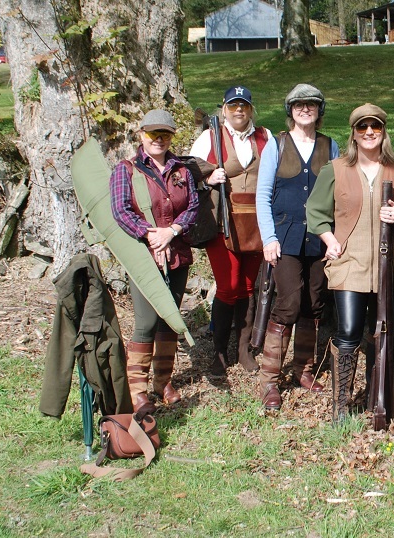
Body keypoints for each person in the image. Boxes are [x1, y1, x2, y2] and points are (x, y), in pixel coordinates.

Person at [306, 103, 394, 421]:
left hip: (387, 263)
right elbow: (315, 212)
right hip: (350, 262)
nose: (369, 133)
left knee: (381, 330)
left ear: (383, 132)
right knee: (349, 330)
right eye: (362, 127)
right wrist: (329, 239)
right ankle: (341, 405)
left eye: (376, 127)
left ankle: (376, 395)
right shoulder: (336, 169)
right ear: (353, 134)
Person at [254, 84, 340, 410]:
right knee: (288, 302)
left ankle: (303, 370)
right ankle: (269, 381)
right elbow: (263, 196)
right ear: (290, 110)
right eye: (299, 104)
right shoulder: (276, 145)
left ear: (320, 110)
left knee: (314, 303)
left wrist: (333, 236)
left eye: (312, 104)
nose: (305, 109)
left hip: (319, 239)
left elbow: (337, 193)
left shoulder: (330, 146)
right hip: (284, 238)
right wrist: (268, 238)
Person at [111, 109, 198, 415]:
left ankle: (163, 383)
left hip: (176, 254)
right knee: (147, 322)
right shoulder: (126, 170)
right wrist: (150, 235)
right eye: (153, 134)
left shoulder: (182, 170)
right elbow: (121, 211)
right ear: (141, 135)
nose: (159, 139)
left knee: (169, 321)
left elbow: (192, 208)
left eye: (165, 134)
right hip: (144, 258)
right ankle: (137, 391)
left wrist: (172, 231)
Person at [190, 86, 275, 377]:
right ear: (224, 109)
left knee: (249, 287)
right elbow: (188, 174)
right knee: (228, 286)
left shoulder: (265, 137)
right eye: (233, 105)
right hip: (222, 223)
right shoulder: (210, 136)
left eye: (244, 105)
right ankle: (219, 354)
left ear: (251, 109)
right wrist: (209, 177)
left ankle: (244, 350)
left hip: (257, 224)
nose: (239, 110)